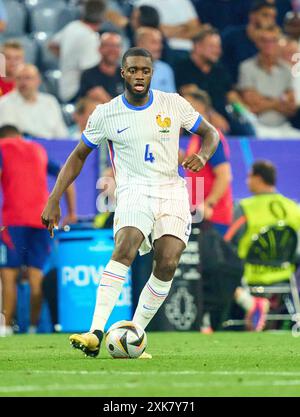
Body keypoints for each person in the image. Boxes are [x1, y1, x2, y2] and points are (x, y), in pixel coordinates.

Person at [41, 47, 219, 358]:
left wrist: (202, 156)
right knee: (126, 247)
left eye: (145, 71)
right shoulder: (106, 113)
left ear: (152, 74)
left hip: (171, 190)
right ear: (123, 72)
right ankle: (96, 331)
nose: (139, 76)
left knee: (168, 261)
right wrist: (54, 198)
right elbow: (78, 156)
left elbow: (210, 133)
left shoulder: (173, 104)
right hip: (133, 189)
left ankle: (133, 334)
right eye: (133, 70)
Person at [0, 125, 77, 336]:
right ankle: (33, 329)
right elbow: (65, 176)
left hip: (13, 221)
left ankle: (5, 329)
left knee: (9, 276)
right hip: (42, 219)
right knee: (36, 276)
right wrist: (72, 212)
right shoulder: (37, 149)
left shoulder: (2, 146)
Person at [225, 160, 300, 331]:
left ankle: (247, 304)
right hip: (285, 274)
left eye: (249, 177)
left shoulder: (244, 207)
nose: (247, 181)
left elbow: (228, 241)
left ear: (258, 179)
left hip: (249, 274)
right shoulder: (293, 208)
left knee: (219, 261)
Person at [176, 27, 253, 136]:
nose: (218, 51)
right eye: (212, 47)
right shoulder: (183, 67)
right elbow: (190, 96)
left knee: (247, 130)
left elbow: (231, 95)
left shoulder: (219, 70)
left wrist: (246, 113)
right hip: (197, 118)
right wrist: (212, 115)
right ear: (197, 47)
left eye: (218, 47)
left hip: (223, 118)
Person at [181, 86, 233, 237]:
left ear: (199, 107)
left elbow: (224, 176)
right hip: (200, 215)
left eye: (186, 106)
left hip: (213, 217)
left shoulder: (210, 138)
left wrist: (209, 204)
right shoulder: (197, 137)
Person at [238, 25, 300, 138]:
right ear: (257, 43)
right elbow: (252, 106)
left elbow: (291, 107)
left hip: (283, 127)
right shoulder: (247, 67)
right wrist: (280, 101)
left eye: (273, 41)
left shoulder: (287, 69)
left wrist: (264, 101)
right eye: (264, 41)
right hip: (257, 127)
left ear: (279, 43)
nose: (269, 45)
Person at [49, 0, 106, 102]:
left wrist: (67, 57)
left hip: (64, 87)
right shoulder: (90, 37)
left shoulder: (72, 26)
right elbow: (90, 73)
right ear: (102, 17)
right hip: (76, 92)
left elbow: (52, 45)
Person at [0, 64, 68, 139]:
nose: (23, 83)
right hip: (21, 147)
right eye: (18, 78)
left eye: (27, 78)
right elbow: (7, 137)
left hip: (51, 147)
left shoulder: (50, 102)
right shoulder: (5, 103)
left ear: (38, 80)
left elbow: (61, 134)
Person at [222, 0, 277, 83]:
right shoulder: (231, 36)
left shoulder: (274, 42)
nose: (269, 20)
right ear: (252, 16)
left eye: (273, 17)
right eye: (265, 15)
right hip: (235, 85)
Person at [134, 0, 201, 61]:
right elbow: (158, 30)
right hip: (165, 49)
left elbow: (196, 29)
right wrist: (185, 27)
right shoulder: (143, 2)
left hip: (189, 50)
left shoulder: (183, 1)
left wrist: (169, 30)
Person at [78, 32, 123, 102]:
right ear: (100, 49)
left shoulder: (128, 76)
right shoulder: (88, 75)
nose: (112, 50)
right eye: (108, 46)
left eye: (116, 46)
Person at [135, 27, 176, 93]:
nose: (159, 47)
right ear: (140, 45)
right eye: (154, 42)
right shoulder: (127, 69)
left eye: (160, 42)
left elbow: (171, 99)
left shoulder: (165, 69)